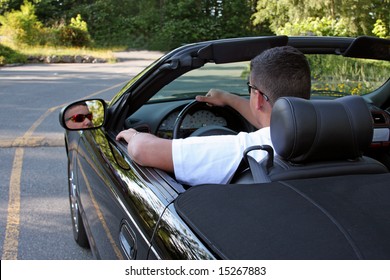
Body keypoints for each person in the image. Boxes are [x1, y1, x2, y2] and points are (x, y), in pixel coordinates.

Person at [116, 46, 311, 185]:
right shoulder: (332, 136)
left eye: (250, 88)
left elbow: (142, 150)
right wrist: (227, 98)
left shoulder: (246, 149)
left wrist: (133, 134)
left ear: (258, 97)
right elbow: (266, 120)